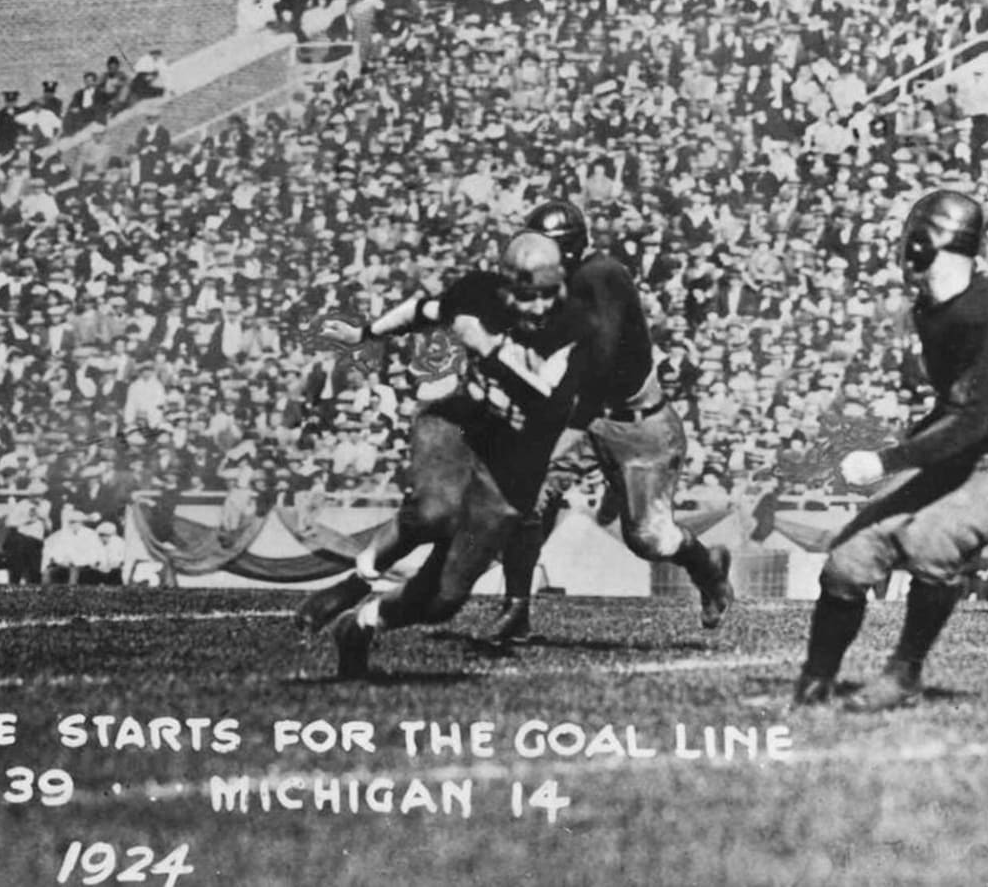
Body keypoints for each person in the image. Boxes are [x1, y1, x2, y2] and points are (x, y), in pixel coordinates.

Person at [297, 232, 595, 678]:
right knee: (435, 512)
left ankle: (360, 624)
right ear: (506, 286)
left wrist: (489, 349)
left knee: (443, 601)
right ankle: (358, 577)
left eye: (549, 295)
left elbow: (545, 399)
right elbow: (423, 311)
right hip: (460, 424)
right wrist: (364, 333)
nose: (540, 308)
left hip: (514, 464)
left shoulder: (576, 326)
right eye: (530, 297)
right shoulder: (479, 292)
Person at [794, 189, 988, 711]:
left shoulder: (986, 306)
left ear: (925, 242)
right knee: (849, 558)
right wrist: (904, 459)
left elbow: (972, 419)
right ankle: (815, 682)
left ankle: (904, 674)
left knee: (932, 542)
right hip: (970, 449)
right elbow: (955, 409)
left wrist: (888, 461)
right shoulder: (932, 308)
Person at [489, 200, 733, 643]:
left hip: (638, 428)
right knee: (529, 495)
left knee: (648, 540)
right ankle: (516, 610)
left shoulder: (601, 276)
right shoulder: (566, 284)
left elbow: (597, 368)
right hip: (594, 417)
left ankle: (708, 567)